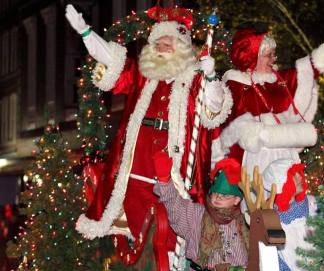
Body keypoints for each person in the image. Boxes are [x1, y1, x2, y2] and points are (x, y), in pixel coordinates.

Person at [65, 5, 233, 241]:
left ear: (182, 48)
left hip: (175, 171)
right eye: (158, 44)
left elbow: (214, 109)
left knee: (172, 229)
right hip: (137, 166)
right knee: (135, 221)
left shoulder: (197, 78)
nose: (161, 49)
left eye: (168, 44)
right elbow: (112, 58)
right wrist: (86, 33)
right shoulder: (144, 75)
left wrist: (212, 77)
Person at [211, 24, 324, 176]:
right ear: (252, 57)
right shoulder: (236, 85)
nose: (274, 59)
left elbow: (304, 72)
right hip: (252, 160)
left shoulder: (276, 80)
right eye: (269, 55)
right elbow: (234, 127)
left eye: (274, 54)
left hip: (285, 156)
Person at [153, 157, 248, 271]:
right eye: (215, 193)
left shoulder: (246, 221)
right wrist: (164, 180)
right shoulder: (198, 214)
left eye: (224, 195)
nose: (217, 198)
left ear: (237, 199)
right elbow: (176, 207)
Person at [262, 158, 316, 271]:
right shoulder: (270, 220)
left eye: (299, 173)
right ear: (280, 184)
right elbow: (275, 264)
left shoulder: (312, 206)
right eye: (294, 176)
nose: (300, 177)